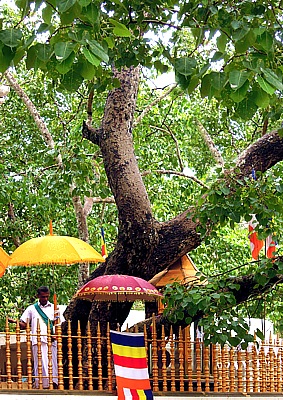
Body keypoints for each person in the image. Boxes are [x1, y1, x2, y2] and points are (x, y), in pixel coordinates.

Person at [8, 286, 59, 389]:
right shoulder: (32, 309)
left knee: (52, 363)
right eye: (43, 297)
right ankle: (41, 384)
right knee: (39, 363)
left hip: (51, 340)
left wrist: (56, 334)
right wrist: (15, 322)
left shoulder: (54, 308)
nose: (45, 299)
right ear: (38, 296)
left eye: (47, 297)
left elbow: (59, 324)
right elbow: (24, 324)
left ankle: (54, 383)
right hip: (37, 340)